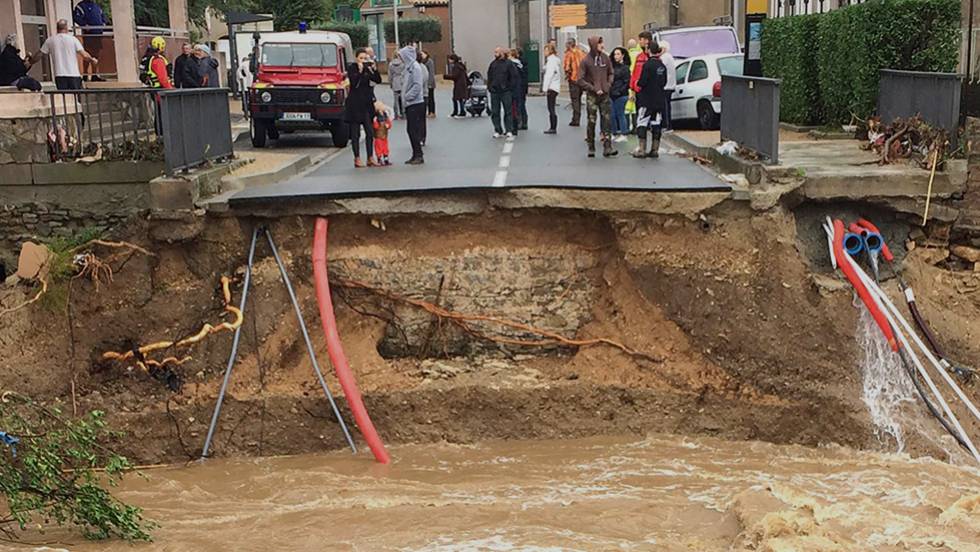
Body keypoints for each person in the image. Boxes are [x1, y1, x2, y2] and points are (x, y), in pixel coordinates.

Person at [577, 36, 616, 158]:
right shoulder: (586, 61)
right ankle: (591, 146)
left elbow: (611, 72)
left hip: (605, 94)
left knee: (607, 120)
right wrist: (593, 88)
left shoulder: (606, 58)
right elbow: (580, 79)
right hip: (592, 96)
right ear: (594, 45)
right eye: (600, 43)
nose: (602, 45)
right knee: (591, 121)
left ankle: (608, 147)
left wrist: (608, 84)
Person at [33, 19, 97, 91]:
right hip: (73, 74)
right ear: (66, 28)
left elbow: (40, 54)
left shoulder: (50, 40)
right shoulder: (73, 39)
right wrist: (92, 59)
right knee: (75, 98)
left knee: (64, 98)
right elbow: (84, 55)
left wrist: (30, 62)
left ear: (57, 28)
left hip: (59, 75)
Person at [346, 47, 383, 168]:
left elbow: (377, 80)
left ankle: (370, 157)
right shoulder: (352, 68)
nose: (363, 60)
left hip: (367, 104)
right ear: (356, 58)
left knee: (370, 131)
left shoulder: (368, 68)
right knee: (355, 133)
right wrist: (360, 71)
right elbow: (354, 83)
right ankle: (357, 158)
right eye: (361, 58)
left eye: (365, 58)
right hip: (355, 104)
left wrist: (374, 69)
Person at [634, 40, 668, 159]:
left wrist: (637, 82)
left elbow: (643, 82)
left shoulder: (647, 65)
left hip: (647, 99)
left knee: (642, 123)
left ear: (649, 51)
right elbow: (664, 82)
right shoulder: (662, 66)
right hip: (659, 100)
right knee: (656, 123)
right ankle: (655, 149)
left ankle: (642, 149)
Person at [400, 44, 426, 165]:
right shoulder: (408, 67)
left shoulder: (415, 68)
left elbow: (417, 85)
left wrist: (407, 97)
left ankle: (419, 154)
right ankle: (415, 154)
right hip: (410, 104)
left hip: (415, 103)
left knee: (413, 130)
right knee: (410, 130)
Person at [487, 47, 518, 138]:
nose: (495, 53)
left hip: (506, 91)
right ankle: (498, 129)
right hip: (495, 91)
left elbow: (514, 76)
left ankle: (509, 129)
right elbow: (489, 76)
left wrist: (510, 88)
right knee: (495, 111)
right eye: (495, 52)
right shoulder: (493, 64)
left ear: (502, 53)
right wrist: (490, 87)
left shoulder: (509, 64)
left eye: (497, 52)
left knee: (508, 111)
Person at [72, 0, 107, 82]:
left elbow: (103, 17)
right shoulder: (81, 6)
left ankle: (94, 75)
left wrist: (103, 23)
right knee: (88, 54)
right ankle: (85, 75)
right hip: (89, 34)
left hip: (98, 33)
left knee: (96, 54)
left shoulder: (97, 6)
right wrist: (84, 25)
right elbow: (76, 17)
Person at [610, 47, 631, 143]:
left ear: (622, 55)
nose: (616, 56)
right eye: (615, 54)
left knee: (620, 113)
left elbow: (627, 82)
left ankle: (623, 133)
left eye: (618, 54)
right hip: (611, 94)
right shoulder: (611, 67)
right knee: (612, 114)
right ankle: (613, 133)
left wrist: (619, 91)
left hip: (621, 95)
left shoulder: (625, 68)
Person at [563, 38, 585, 127]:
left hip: (573, 79)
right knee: (579, 98)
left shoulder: (569, 54)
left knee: (575, 99)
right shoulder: (581, 52)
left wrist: (567, 74)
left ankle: (576, 119)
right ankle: (577, 117)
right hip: (582, 79)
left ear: (569, 44)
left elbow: (567, 67)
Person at [541, 42, 561, 135]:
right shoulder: (554, 60)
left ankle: (553, 127)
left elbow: (548, 75)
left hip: (551, 87)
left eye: (546, 50)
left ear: (550, 51)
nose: (544, 52)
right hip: (555, 86)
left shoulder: (551, 61)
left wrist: (545, 88)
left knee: (551, 107)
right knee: (551, 107)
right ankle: (553, 126)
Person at [509, 48, 529, 132]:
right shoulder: (522, 63)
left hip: (519, 87)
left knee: (518, 105)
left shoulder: (515, 64)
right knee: (522, 104)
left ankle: (519, 122)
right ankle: (524, 122)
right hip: (523, 86)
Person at [659, 40, 676, 133]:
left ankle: (667, 125)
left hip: (666, 86)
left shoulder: (665, 57)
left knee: (665, 106)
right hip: (669, 85)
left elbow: (660, 68)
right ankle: (667, 125)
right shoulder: (669, 57)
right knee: (667, 105)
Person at [444, 54, 468, 118]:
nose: (449, 60)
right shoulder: (460, 66)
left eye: (450, 59)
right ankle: (461, 111)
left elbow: (455, 76)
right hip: (462, 84)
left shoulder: (456, 67)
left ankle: (457, 112)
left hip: (459, 84)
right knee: (459, 98)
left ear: (453, 60)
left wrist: (446, 76)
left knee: (455, 98)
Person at [626, 38, 641, 132]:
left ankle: (627, 127)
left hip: (630, 81)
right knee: (636, 106)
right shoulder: (640, 55)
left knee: (628, 106)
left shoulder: (627, 55)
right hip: (638, 82)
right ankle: (636, 126)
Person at [372, 100, 393, 166]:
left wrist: (388, 125)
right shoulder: (376, 118)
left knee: (385, 147)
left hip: (384, 135)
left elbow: (389, 122)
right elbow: (375, 126)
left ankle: (386, 158)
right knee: (379, 147)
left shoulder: (385, 115)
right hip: (378, 136)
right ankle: (379, 158)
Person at [388, 52, 405, 119]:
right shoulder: (403, 64)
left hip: (395, 81)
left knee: (395, 100)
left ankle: (396, 114)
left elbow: (390, 75)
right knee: (402, 98)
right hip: (402, 81)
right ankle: (403, 113)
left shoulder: (391, 64)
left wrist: (390, 83)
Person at [421, 50, 436, 118]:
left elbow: (431, 73)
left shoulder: (429, 61)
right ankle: (428, 112)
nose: (422, 55)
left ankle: (432, 112)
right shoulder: (422, 62)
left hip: (430, 83)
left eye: (423, 54)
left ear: (426, 54)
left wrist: (430, 83)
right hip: (424, 83)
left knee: (431, 98)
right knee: (425, 98)